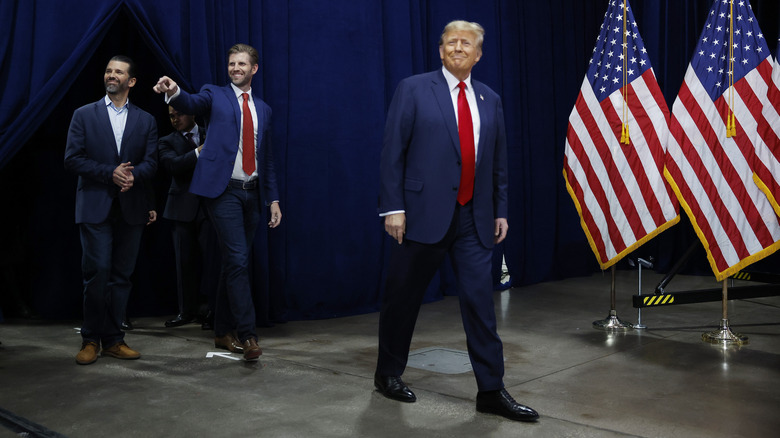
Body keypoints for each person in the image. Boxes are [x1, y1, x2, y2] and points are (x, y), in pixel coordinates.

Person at [375, 21, 539, 422]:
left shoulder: (490, 98)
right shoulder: (413, 88)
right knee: (403, 299)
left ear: (478, 54)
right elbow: (392, 150)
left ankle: (491, 390)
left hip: (474, 219)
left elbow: (498, 161)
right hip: (420, 217)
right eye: (452, 42)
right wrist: (393, 207)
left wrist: (500, 209)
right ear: (441, 50)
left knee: (481, 305)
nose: (459, 48)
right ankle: (388, 374)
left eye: (467, 43)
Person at [153, 43, 281, 362]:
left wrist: (273, 199)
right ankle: (248, 334)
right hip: (222, 191)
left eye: (241, 64)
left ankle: (223, 331)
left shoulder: (263, 109)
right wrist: (173, 91)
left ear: (254, 69)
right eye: (231, 64)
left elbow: (266, 160)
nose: (235, 68)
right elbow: (191, 101)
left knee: (232, 264)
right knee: (238, 260)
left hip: (252, 193)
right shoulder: (214, 94)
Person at [64, 55, 158, 365]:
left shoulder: (145, 120)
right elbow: (72, 159)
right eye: (108, 70)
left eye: (118, 72)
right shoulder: (83, 114)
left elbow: (151, 163)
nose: (111, 75)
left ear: (131, 81)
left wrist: (133, 176)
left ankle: (114, 339)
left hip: (131, 208)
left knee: (122, 276)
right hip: (95, 205)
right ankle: (90, 339)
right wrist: (110, 173)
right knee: (98, 273)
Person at [158, 106, 218, 331]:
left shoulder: (210, 132)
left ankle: (212, 309)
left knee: (211, 261)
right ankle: (186, 311)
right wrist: (198, 152)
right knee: (184, 262)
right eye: (171, 116)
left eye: (179, 114)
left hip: (209, 206)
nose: (175, 119)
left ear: (192, 113)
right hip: (181, 208)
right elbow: (173, 165)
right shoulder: (166, 141)